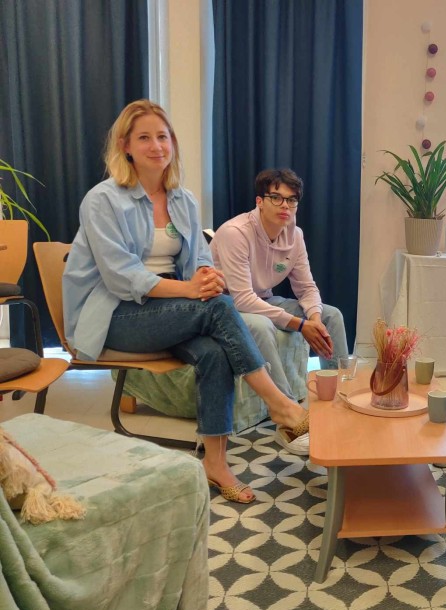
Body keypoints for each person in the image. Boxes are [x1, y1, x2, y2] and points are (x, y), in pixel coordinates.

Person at [63, 100, 310, 505]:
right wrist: (191, 291)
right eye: (144, 137)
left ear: (173, 143)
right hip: (113, 313)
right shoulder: (102, 200)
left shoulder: (183, 200)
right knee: (219, 307)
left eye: (163, 136)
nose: (156, 146)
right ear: (125, 145)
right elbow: (121, 277)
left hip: (168, 310)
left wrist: (206, 277)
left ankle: (215, 462)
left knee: (215, 350)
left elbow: (198, 257)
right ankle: (280, 404)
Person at [211, 168, 349, 456]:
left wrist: (313, 318)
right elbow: (242, 299)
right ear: (260, 201)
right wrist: (299, 324)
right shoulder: (235, 233)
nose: (285, 205)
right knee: (262, 326)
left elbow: (307, 287)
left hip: (264, 300)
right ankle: (288, 415)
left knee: (331, 316)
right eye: (276, 198)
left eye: (292, 199)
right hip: (226, 305)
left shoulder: (295, 235)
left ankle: (339, 401)